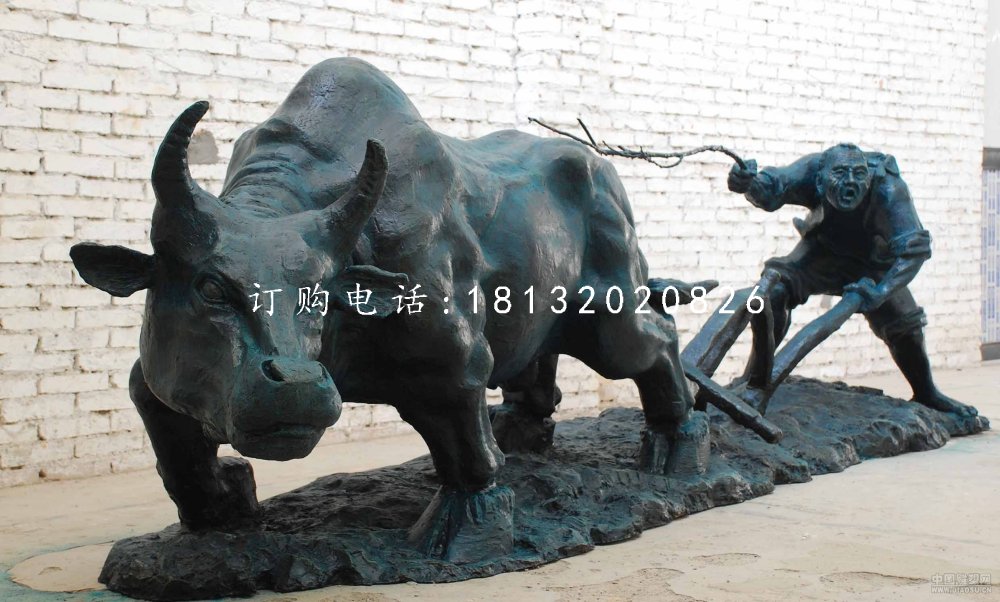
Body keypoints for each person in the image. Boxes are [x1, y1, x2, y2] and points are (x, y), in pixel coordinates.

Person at [726, 142, 976, 416]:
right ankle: (754, 379)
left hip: (873, 262)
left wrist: (881, 291)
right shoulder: (812, 170)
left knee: (905, 324)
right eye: (840, 174)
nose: (850, 182)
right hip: (820, 253)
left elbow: (913, 252)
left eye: (858, 174)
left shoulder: (888, 188)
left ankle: (926, 393)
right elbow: (773, 188)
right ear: (820, 181)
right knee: (773, 294)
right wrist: (748, 184)